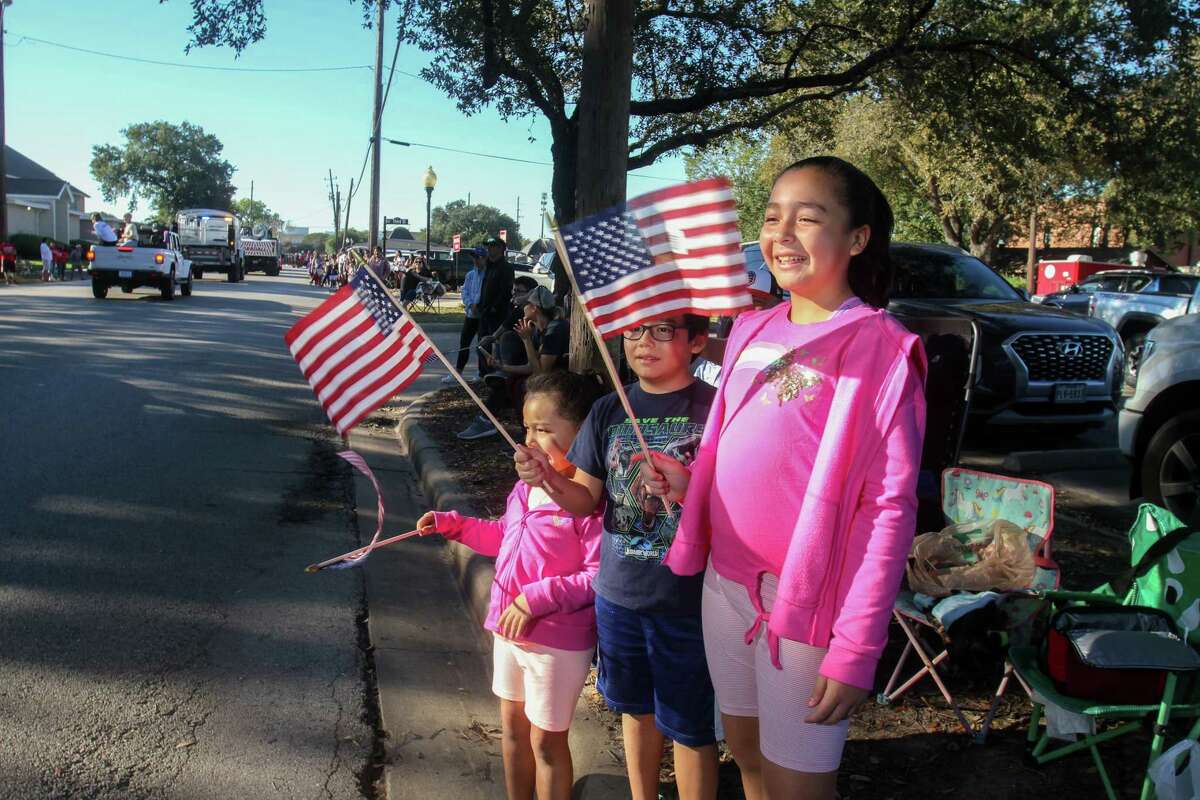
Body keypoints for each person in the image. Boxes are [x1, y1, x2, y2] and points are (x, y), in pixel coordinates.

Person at [644, 156, 927, 800]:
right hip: (726, 586)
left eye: (808, 218)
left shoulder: (878, 347)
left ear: (856, 239)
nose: (782, 234)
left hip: (803, 604)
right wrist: (693, 488)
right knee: (746, 755)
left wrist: (856, 647)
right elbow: (730, 441)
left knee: (798, 783)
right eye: (773, 217)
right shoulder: (751, 327)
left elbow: (888, 510)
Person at [515, 314, 719, 800]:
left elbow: (736, 503)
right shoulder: (610, 410)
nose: (643, 342)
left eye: (662, 330)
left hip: (690, 598)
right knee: (635, 709)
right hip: (619, 594)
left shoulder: (717, 409)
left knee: (691, 725)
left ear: (697, 340)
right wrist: (546, 476)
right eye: (633, 331)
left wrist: (688, 490)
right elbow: (586, 498)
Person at [416, 371, 607, 800]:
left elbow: (597, 577)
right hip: (508, 630)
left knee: (546, 741)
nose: (529, 439)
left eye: (544, 429)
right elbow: (505, 535)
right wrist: (454, 526)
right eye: (526, 427)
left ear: (583, 433)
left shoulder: (587, 502)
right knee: (513, 729)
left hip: (557, 641)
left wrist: (536, 598)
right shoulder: (525, 488)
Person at [457, 276, 541, 439]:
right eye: (513, 290)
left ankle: (486, 421)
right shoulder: (520, 312)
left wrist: (506, 367)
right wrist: (499, 361)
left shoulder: (550, 328)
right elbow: (500, 332)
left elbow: (537, 368)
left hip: (541, 372)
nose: (514, 295)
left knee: (508, 341)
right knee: (499, 342)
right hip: (527, 366)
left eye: (519, 291)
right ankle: (487, 418)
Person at [443, 246, 488, 385]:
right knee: (464, 344)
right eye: (474, 258)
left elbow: (486, 292)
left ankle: (482, 373)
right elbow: (465, 291)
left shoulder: (489, 275)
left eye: (478, 257)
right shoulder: (470, 275)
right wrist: (470, 304)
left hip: (483, 315)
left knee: (482, 345)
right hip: (470, 315)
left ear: (484, 258)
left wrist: (477, 304)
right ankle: (458, 372)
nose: (475, 260)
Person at [477, 236, 516, 373]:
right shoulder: (489, 266)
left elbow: (506, 291)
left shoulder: (506, 267)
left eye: (492, 245)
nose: (489, 248)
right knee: (481, 344)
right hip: (484, 312)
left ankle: (496, 374)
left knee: (494, 345)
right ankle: (483, 373)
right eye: (488, 246)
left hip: (497, 314)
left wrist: (494, 307)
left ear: (500, 248)